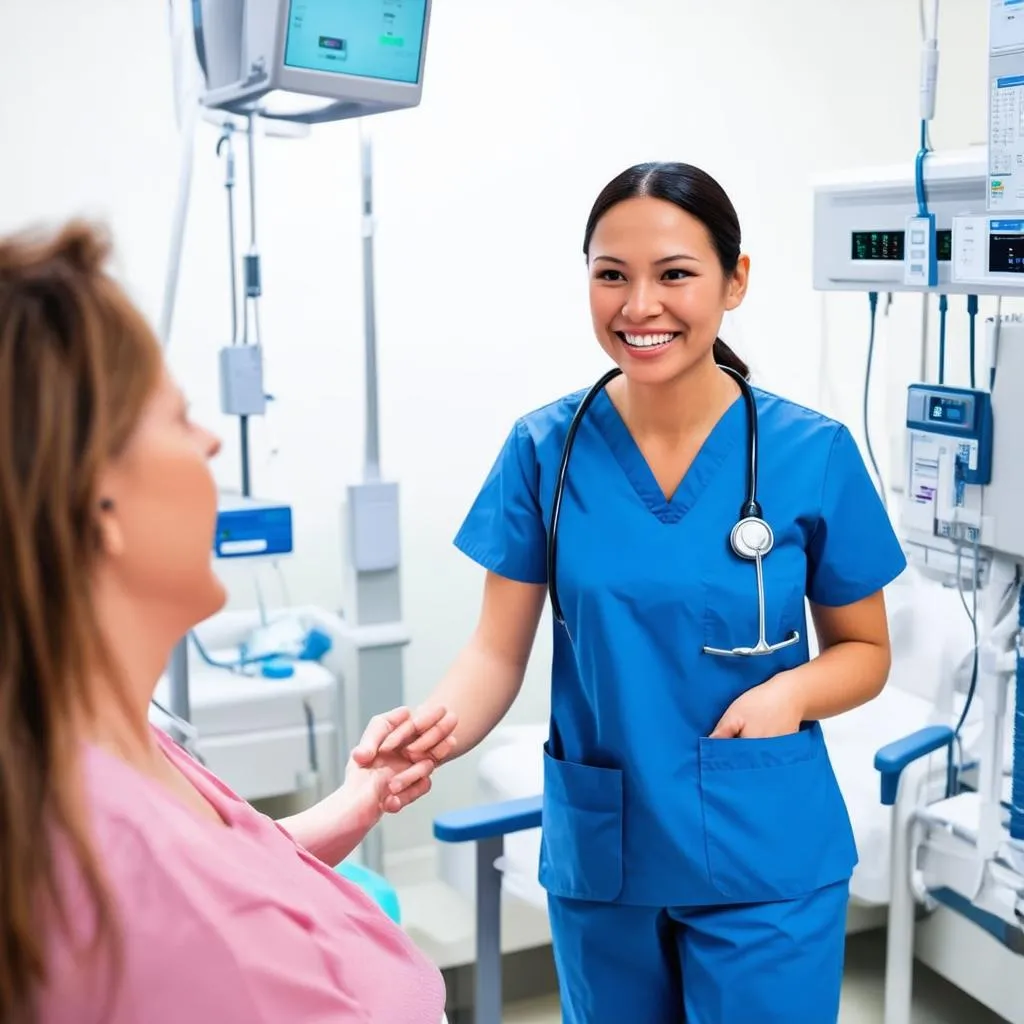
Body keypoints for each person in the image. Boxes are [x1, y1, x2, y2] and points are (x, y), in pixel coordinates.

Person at [370, 162, 907, 1022]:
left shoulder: (814, 453)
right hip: (606, 851)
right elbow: (493, 651)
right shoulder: (545, 448)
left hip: (765, 851)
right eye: (611, 274)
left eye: (675, 274)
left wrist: (790, 694)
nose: (639, 305)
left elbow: (866, 652)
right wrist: (427, 736)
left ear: (735, 281)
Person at [0, 221, 455, 1024]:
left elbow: (230, 865)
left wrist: (353, 802)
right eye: (177, 418)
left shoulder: (103, 738)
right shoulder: (133, 888)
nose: (211, 440)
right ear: (95, 500)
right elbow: (194, 908)